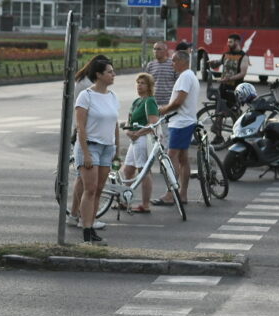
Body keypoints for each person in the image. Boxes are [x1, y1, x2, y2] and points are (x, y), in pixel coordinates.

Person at [73, 57, 121, 243]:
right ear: (99, 75)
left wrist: (117, 149)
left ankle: (92, 226)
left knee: (99, 189)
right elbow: (81, 126)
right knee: (90, 189)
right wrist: (85, 153)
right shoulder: (86, 95)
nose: (113, 74)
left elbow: (114, 124)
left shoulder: (112, 96)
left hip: (107, 148)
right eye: (109, 72)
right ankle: (85, 230)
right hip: (90, 146)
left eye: (112, 71)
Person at [65, 55, 110, 229]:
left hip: (83, 133)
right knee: (88, 186)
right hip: (87, 136)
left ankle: (75, 215)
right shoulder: (86, 86)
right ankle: (85, 220)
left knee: (81, 181)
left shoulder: (83, 80)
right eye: (108, 70)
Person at [156, 50, 198, 206]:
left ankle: (170, 194)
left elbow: (179, 101)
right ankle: (182, 194)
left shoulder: (185, 76)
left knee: (171, 156)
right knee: (183, 159)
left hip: (181, 122)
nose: (172, 64)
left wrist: (164, 109)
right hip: (185, 121)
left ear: (182, 61)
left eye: (174, 61)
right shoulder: (189, 75)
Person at [121, 73, 162, 214]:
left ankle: (145, 204)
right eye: (138, 82)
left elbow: (153, 123)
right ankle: (125, 200)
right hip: (134, 139)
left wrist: (137, 133)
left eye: (143, 83)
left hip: (143, 139)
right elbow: (128, 122)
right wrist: (128, 132)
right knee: (128, 170)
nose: (139, 85)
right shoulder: (136, 102)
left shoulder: (150, 101)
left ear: (149, 86)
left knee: (144, 171)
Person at [211, 33, 250, 145]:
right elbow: (219, 63)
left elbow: (243, 73)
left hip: (235, 88)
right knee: (219, 112)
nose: (228, 43)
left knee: (235, 112)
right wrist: (212, 63)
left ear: (237, 42)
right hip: (223, 87)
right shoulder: (226, 54)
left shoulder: (244, 56)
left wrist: (229, 78)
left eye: (230, 42)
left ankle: (237, 137)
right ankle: (218, 137)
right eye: (228, 41)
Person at [144, 41, 176, 107]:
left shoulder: (173, 64)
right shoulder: (150, 65)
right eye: (154, 49)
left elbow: (178, 82)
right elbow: (146, 84)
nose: (156, 51)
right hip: (153, 102)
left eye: (158, 49)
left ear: (165, 51)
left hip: (169, 102)